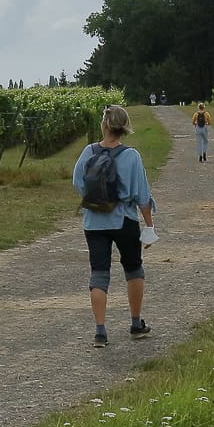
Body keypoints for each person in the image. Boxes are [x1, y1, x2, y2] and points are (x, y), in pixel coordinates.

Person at [71, 104, 155, 347]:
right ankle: (136, 323)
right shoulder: (132, 156)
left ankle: (100, 331)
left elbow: (78, 182)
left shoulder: (89, 151)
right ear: (124, 127)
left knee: (99, 272)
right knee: (133, 268)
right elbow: (142, 195)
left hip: (94, 221)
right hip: (124, 220)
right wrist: (149, 226)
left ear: (105, 125)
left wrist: (96, 201)